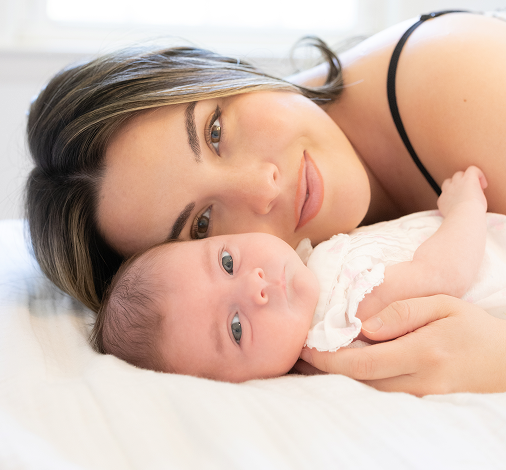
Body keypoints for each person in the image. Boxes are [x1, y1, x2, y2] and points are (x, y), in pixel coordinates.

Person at [25, 10, 506, 394]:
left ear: (220, 73)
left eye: (214, 132)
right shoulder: (327, 290)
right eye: (203, 225)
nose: (263, 187)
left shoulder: (461, 84)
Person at [91, 166, 504, 391]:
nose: (254, 285)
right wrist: (466, 205)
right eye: (236, 328)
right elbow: (445, 274)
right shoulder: (345, 313)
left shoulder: (315, 268)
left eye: (228, 263)